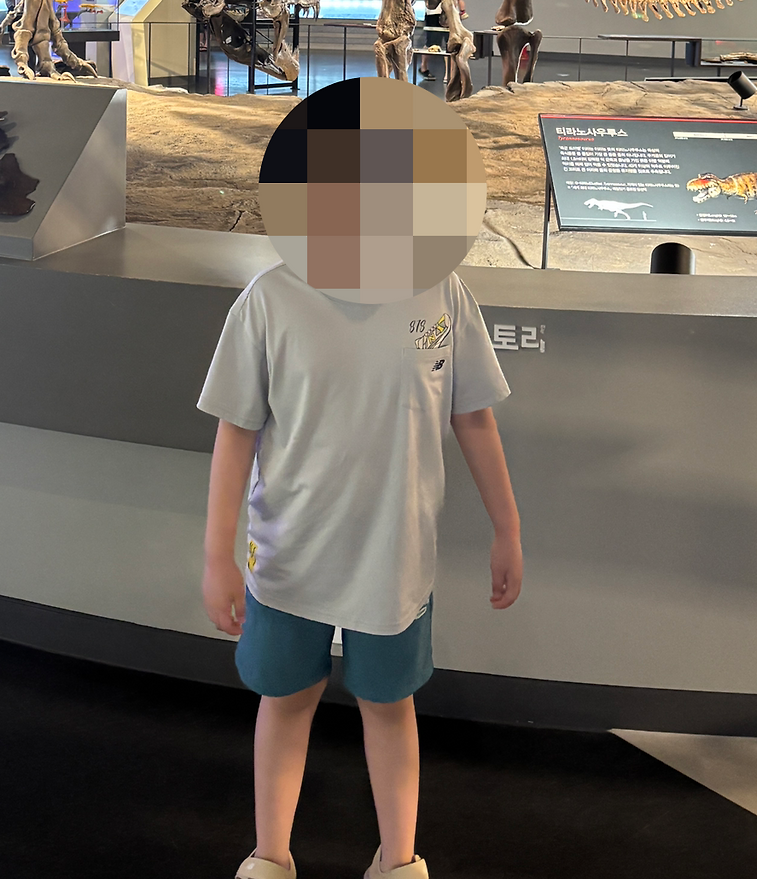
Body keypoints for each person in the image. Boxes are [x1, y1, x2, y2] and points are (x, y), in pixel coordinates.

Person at [199, 265, 522, 879]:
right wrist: (218, 555)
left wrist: (507, 527)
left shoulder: (441, 290)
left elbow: (473, 415)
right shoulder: (270, 299)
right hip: (290, 556)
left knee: (389, 702)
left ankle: (398, 860)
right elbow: (236, 429)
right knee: (286, 699)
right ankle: (271, 856)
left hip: (395, 560)